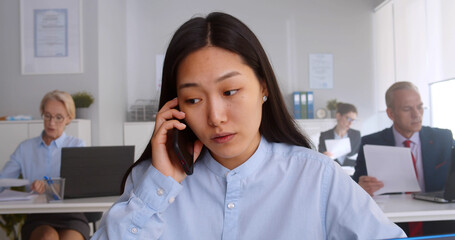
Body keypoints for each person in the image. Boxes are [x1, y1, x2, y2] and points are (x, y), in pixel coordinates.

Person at [92, 12, 405, 239]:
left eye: (230, 92)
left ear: (264, 88)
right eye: (193, 100)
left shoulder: (316, 177)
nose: (215, 117)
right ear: (175, 108)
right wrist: (157, 188)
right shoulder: (151, 182)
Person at [352, 81, 455, 236]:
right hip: (392, 224)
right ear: (391, 114)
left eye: (420, 107)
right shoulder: (371, 142)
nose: (417, 115)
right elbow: (354, 187)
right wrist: (360, 187)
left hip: (439, 222)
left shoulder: (443, 138)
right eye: (407, 109)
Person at [0, 90, 90, 240]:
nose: (51, 122)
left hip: (71, 214)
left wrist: (49, 186)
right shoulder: (25, 148)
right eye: (47, 115)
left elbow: (82, 186)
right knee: (47, 237)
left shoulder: (77, 145)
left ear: (69, 118)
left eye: (58, 117)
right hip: (38, 216)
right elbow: (3, 181)